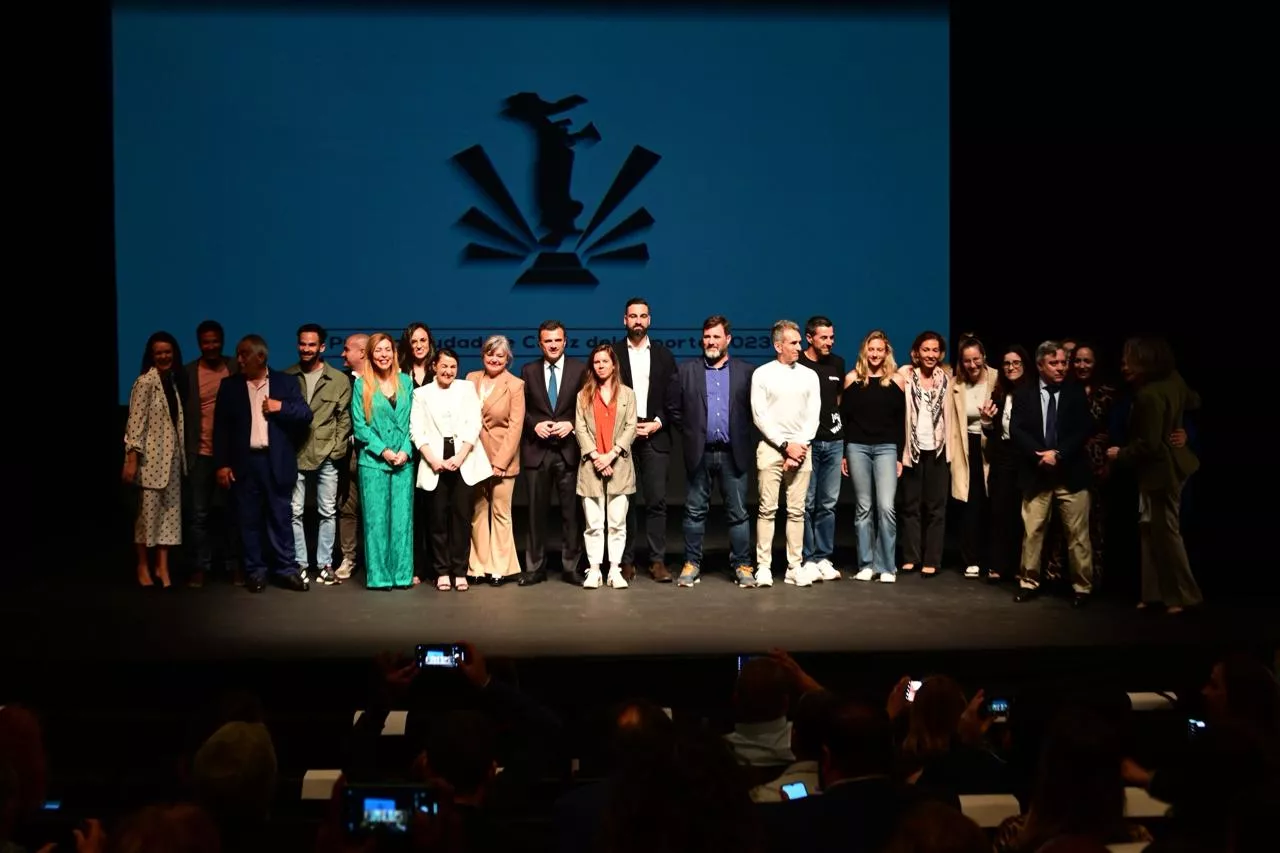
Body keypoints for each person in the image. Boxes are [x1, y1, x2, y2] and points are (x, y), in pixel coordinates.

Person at [1106, 337, 1203, 614]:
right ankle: (1153, 593)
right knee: (1149, 530)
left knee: (1165, 534)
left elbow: (1149, 446)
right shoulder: (1171, 380)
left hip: (1163, 472)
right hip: (1162, 470)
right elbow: (1194, 400)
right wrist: (1176, 420)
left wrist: (1118, 454)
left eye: (1130, 360)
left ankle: (1182, 596)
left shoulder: (1149, 395)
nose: (1124, 365)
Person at [213, 334, 313, 593]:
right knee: (249, 520)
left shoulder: (284, 382)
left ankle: (286, 570)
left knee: (280, 518)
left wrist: (281, 407)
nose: (239, 359)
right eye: (238, 354)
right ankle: (255, 572)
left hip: (275, 462)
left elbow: (305, 414)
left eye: (244, 354)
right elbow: (221, 429)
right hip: (245, 463)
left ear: (261, 357)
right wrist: (222, 464)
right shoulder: (230, 386)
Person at [671, 316, 758, 587]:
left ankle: (743, 565)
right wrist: (692, 431)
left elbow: (756, 411)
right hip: (701, 452)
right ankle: (692, 562)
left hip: (734, 453)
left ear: (728, 339)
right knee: (695, 511)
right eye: (707, 337)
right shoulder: (687, 371)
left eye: (716, 337)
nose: (711, 342)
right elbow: (674, 409)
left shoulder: (746, 372)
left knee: (739, 513)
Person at [1010, 341, 1094, 607]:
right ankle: (1028, 582)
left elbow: (1083, 430)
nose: (1061, 368)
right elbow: (1017, 429)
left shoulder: (1076, 392)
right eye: (1054, 363)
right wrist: (1040, 454)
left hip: (1071, 473)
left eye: (1063, 363)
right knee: (1032, 531)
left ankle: (1082, 587)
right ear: (1039, 365)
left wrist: (1058, 454)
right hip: (1037, 474)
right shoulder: (1024, 393)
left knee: (1077, 535)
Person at [411, 348, 492, 591]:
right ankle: (441, 571)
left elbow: (474, 423)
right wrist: (433, 459)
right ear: (434, 366)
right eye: (444, 366)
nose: (448, 371)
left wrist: (460, 455)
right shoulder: (421, 393)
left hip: (463, 462)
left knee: (461, 519)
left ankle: (459, 571)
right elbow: (417, 430)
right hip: (434, 463)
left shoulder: (466, 388)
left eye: (453, 367)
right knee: (437, 520)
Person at [611, 297, 679, 583]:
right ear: (624, 320)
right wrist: (627, 427)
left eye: (643, 316)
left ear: (649, 320)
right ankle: (625, 562)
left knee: (656, 501)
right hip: (622, 439)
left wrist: (657, 423)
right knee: (624, 502)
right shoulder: (612, 353)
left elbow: (673, 397)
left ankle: (657, 561)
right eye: (632, 316)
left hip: (655, 434)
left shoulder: (664, 355)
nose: (638, 321)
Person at [752, 320, 822, 588]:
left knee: (796, 511)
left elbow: (813, 415)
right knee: (767, 509)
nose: (799, 347)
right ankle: (764, 567)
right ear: (778, 345)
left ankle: (794, 566)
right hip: (771, 449)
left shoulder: (809, 375)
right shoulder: (762, 374)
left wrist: (798, 447)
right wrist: (784, 446)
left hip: (802, 450)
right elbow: (760, 416)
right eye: (793, 343)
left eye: (799, 342)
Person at [518, 320, 588, 585]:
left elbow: (587, 406)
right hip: (538, 452)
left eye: (557, 340)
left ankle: (571, 566)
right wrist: (534, 425)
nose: (553, 345)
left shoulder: (580, 369)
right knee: (535, 514)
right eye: (548, 341)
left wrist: (571, 423)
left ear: (565, 341)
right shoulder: (528, 370)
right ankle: (535, 567)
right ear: (540, 344)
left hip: (569, 451)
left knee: (572, 514)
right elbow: (520, 410)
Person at [284, 323, 351, 585]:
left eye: (312, 344)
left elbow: (343, 419)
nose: (307, 349)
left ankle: (325, 564)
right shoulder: (287, 376)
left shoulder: (338, 379)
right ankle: (300, 563)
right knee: (295, 511)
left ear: (322, 347)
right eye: (303, 344)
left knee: (327, 511)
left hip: (326, 455)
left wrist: (336, 452)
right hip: (296, 452)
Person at [841, 330, 906, 583]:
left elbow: (901, 421)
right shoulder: (851, 380)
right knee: (863, 508)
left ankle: (887, 566)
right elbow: (845, 419)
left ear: (886, 352)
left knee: (886, 507)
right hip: (857, 447)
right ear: (864, 352)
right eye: (871, 349)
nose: (875, 354)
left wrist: (900, 455)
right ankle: (866, 564)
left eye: (880, 349)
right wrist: (845, 452)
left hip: (887, 448)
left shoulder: (897, 381)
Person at [122, 331, 186, 588]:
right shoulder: (144, 382)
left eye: (168, 352)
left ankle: (162, 567)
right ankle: (143, 565)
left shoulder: (171, 381)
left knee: (169, 517)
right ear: (151, 355)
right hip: (149, 462)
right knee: (146, 518)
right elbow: (135, 424)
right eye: (159, 352)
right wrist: (131, 459)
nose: (164, 356)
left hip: (170, 461)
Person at [351, 333, 415, 590]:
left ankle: (402, 576)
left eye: (387, 349)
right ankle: (379, 577)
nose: (383, 355)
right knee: (376, 522)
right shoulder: (361, 385)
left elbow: (415, 421)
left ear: (394, 353)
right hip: (374, 462)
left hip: (403, 461)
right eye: (378, 350)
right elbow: (360, 426)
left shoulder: (405, 382)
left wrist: (406, 450)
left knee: (402, 522)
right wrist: (384, 451)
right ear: (370, 354)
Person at [574, 345, 638, 589]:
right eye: (596, 362)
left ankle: (614, 569)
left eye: (605, 361)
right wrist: (596, 457)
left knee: (616, 522)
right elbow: (580, 428)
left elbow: (631, 427)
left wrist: (610, 455)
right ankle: (595, 570)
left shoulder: (628, 395)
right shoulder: (583, 395)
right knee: (593, 523)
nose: (600, 365)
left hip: (619, 465)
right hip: (591, 467)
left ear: (614, 365)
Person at [465, 335, 526, 584]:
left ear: (507, 359)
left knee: (501, 512)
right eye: (490, 354)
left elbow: (516, 427)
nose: (494, 359)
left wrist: (500, 463)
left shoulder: (515, 385)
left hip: (503, 458)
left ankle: (500, 568)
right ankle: (477, 567)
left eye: (500, 356)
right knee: (478, 511)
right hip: (473, 457)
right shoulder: (470, 379)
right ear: (483, 356)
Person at [796, 315, 846, 582]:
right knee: (806, 503)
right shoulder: (799, 365)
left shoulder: (837, 363)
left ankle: (824, 557)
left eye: (831, 337)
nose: (829, 342)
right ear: (809, 338)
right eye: (824, 337)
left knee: (828, 504)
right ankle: (807, 558)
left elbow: (837, 402)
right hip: (808, 442)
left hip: (834, 442)